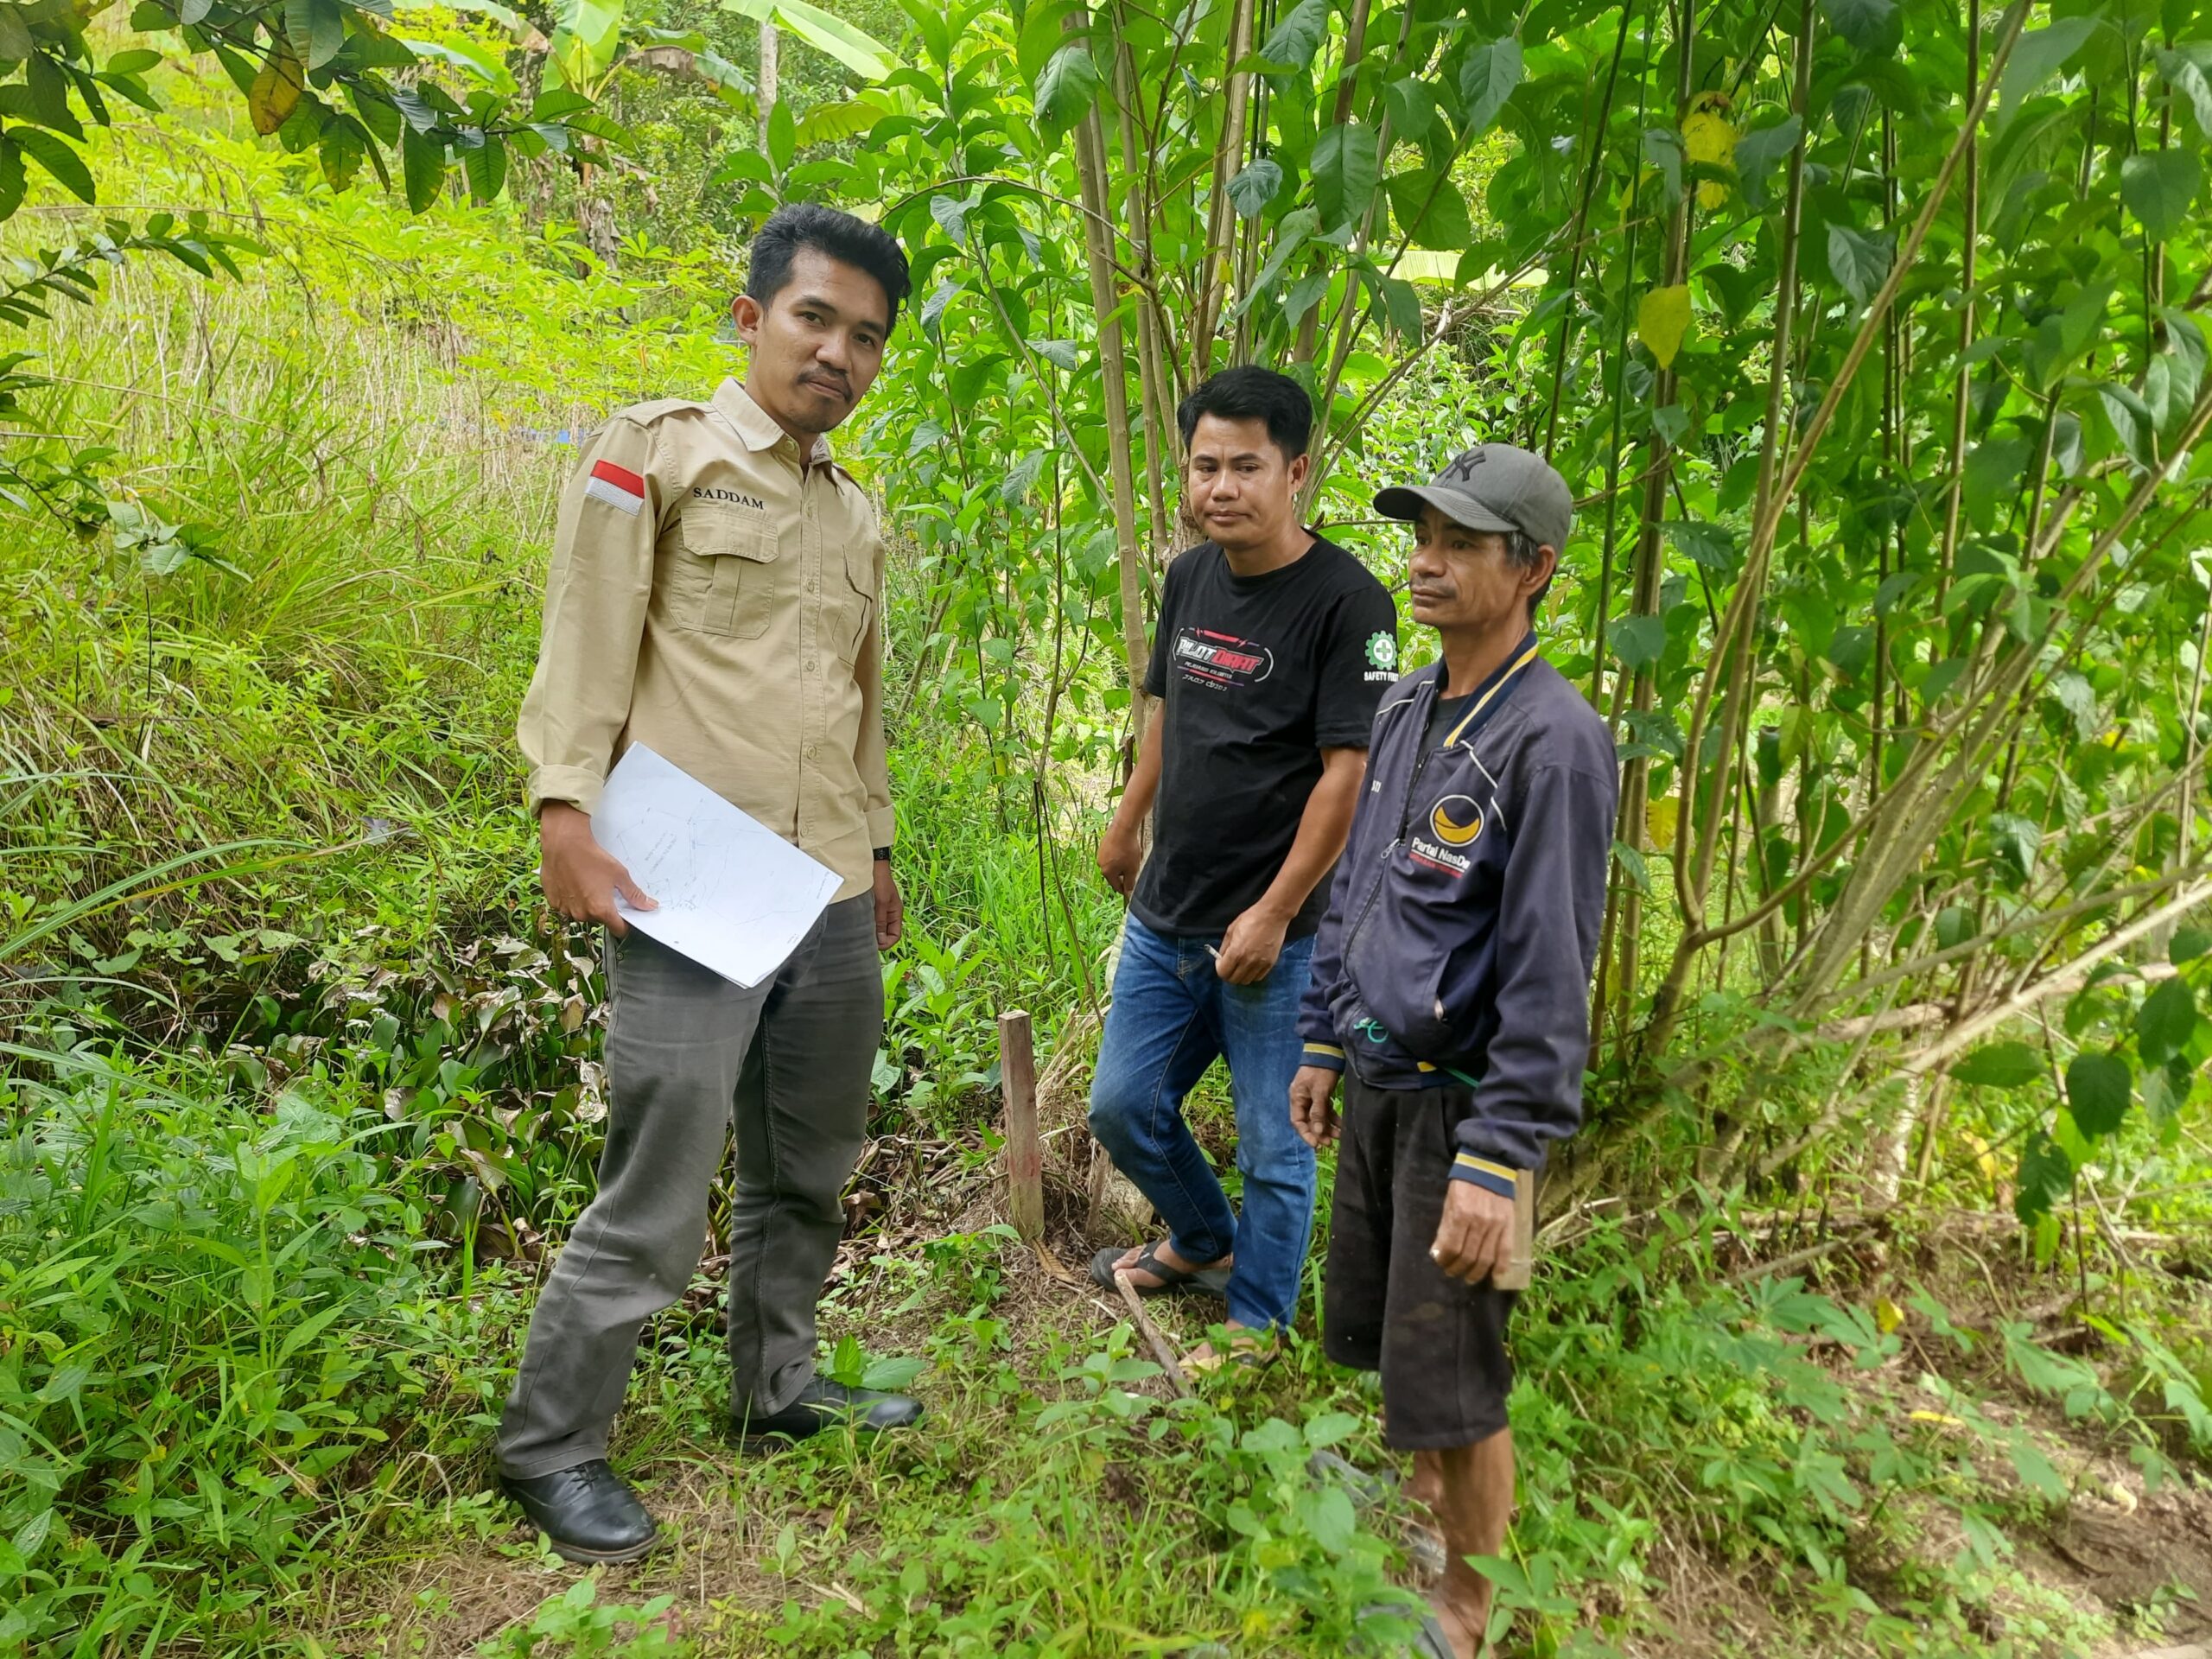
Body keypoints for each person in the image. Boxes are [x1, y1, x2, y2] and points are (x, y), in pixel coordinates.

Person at [498, 204, 920, 1565]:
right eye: (816, 319)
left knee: (810, 1162)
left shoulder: (854, 509)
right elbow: (585, 637)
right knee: (663, 1177)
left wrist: (882, 850)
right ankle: (553, 1443)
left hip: (826, 889)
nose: (839, 354)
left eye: (866, 338)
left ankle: (775, 1389)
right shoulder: (659, 452)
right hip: (689, 882)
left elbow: (858, 701)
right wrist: (563, 805)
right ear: (751, 318)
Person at [1288, 443, 1618, 1656]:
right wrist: (1324, 1033)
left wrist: (1499, 1161)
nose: (1425, 563)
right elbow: (1360, 887)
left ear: (1533, 570)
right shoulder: (1406, 704)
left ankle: (1465, 1612)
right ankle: (1417, 1524)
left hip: (1464, 1111)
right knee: (1392, 1345)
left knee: (1460, 1378)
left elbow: (1548, 967)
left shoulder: (1554, 741)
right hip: (1376, 1083)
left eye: (1460, 544)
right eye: (1421, 536)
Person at [1088, 365, 1398, 1359]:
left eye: (1245, 467)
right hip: (1166, 912)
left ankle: (1256, 1323)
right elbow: (1165, 719)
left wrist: (1273, 911)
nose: (1219, 488)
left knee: (1274, 1147)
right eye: (1203, 466)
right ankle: (1202, 1240)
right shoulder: (1188, 576)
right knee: (1124, 1109)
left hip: (1282, 937)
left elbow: (1346, 776)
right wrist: (1126, 821)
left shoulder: (1352, 604)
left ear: (1296, 469)